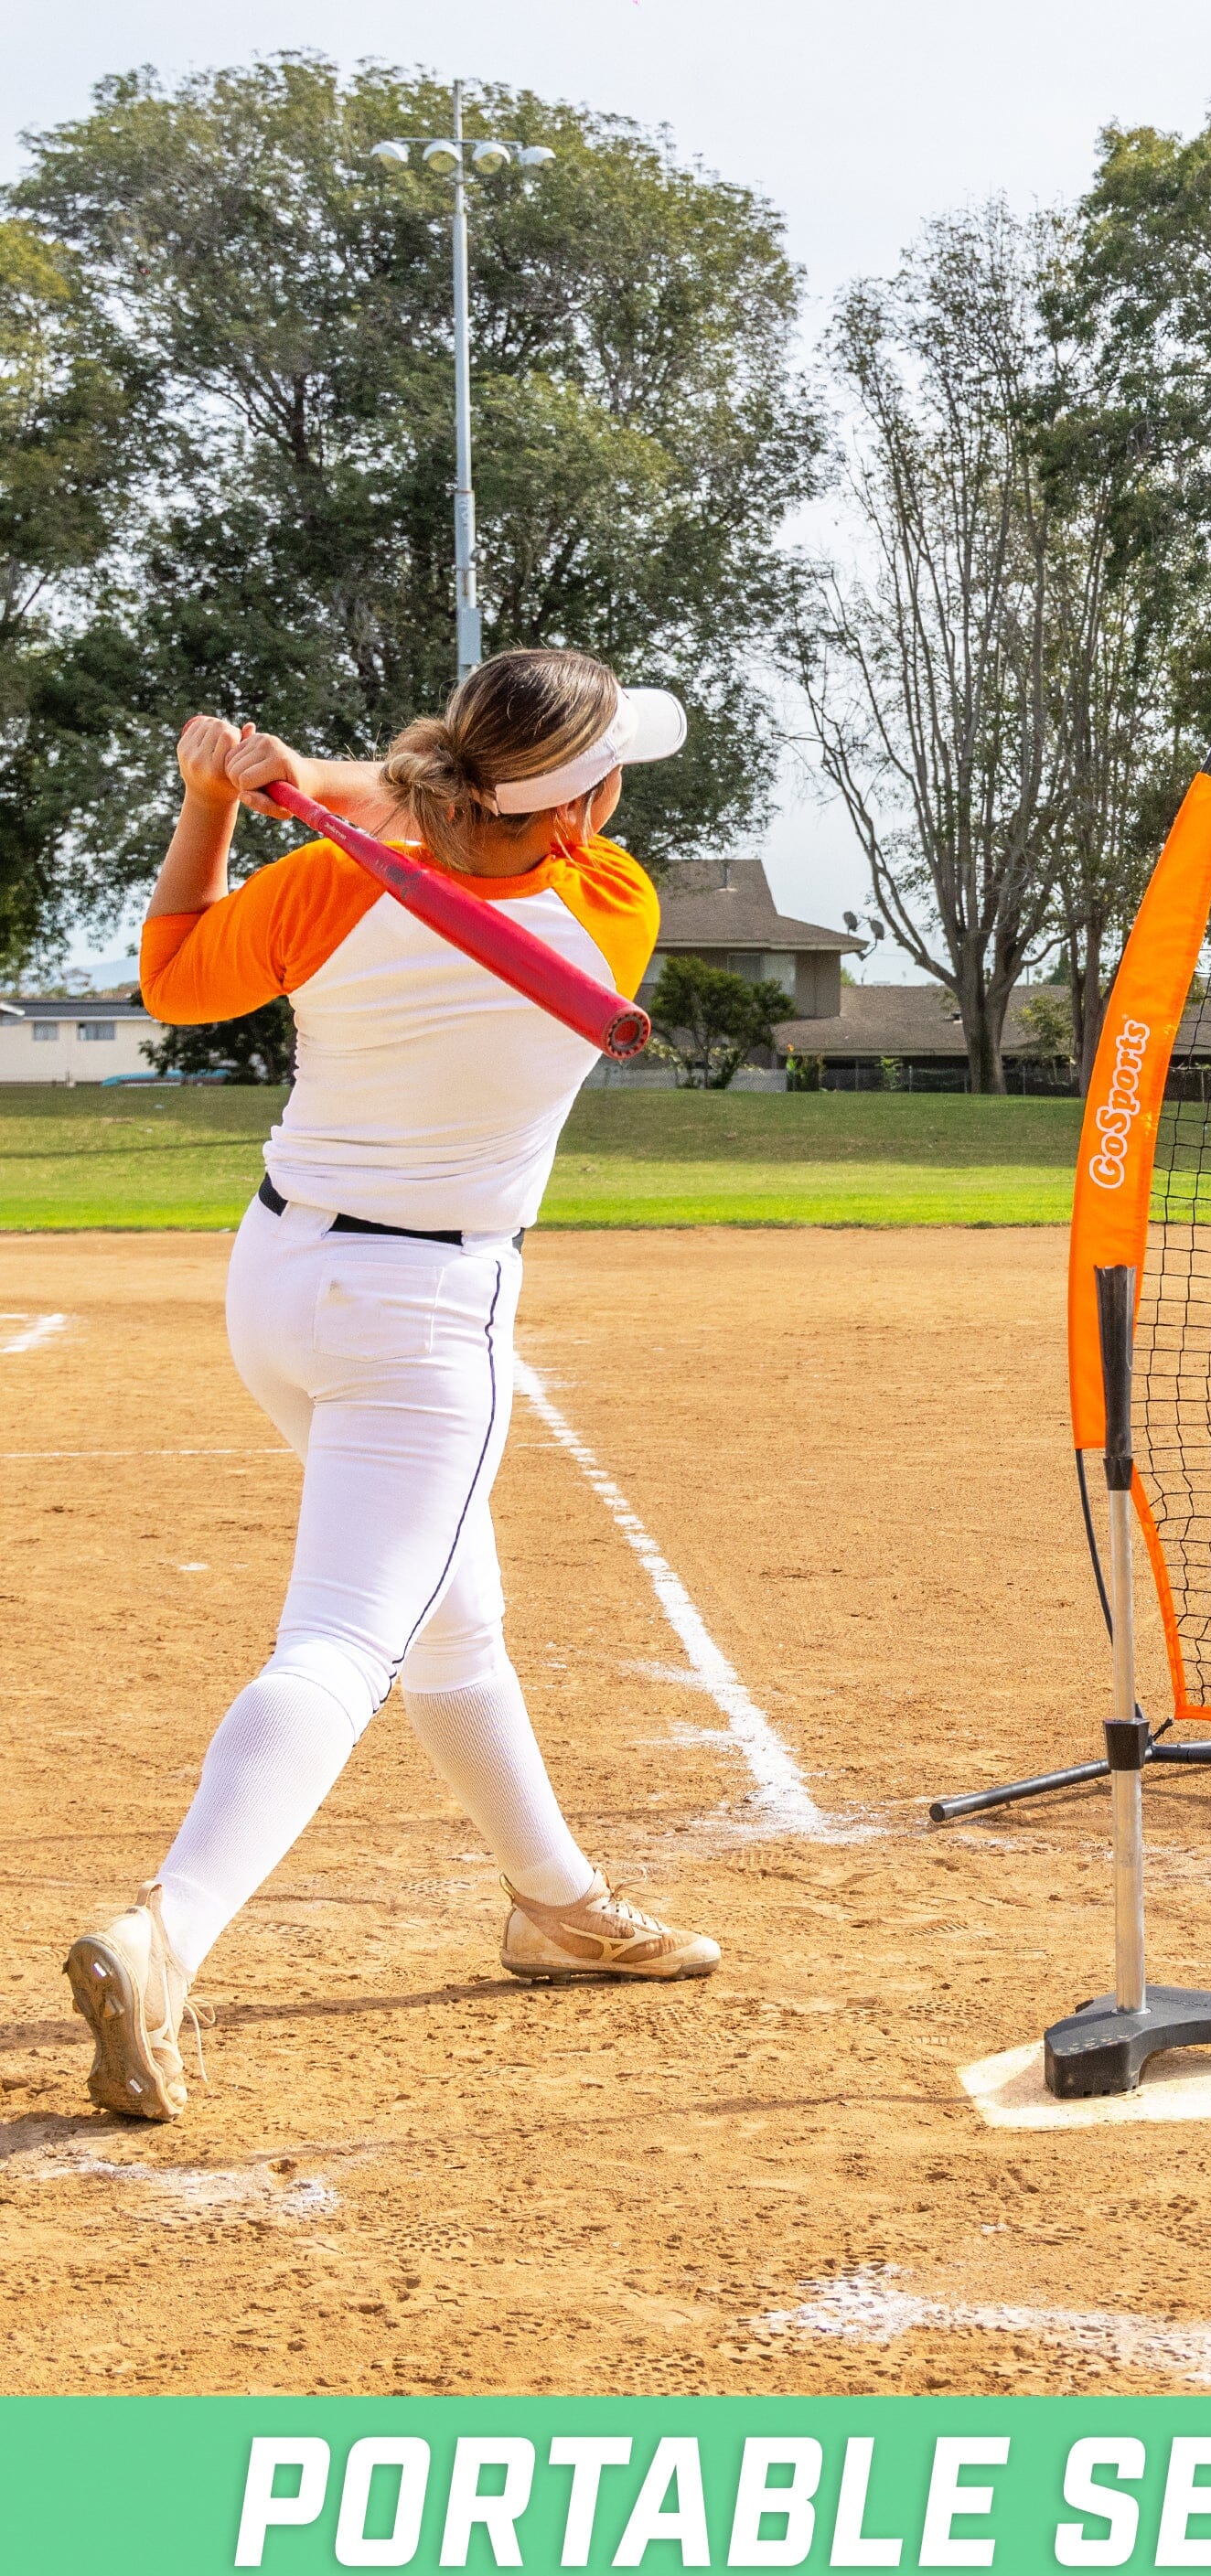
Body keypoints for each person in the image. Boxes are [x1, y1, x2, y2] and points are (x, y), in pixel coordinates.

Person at [64, 649, 721, 2126]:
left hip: (279, 1284)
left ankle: (556, 1903)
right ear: (580, 812)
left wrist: (215, 802)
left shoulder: (330, 885)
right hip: (423, 1323)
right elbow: (452, 818)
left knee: (451, 1615)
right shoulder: (609, 911)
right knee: (346, 1642)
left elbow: (174, 974)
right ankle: (167, 1934)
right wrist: (304, 784)